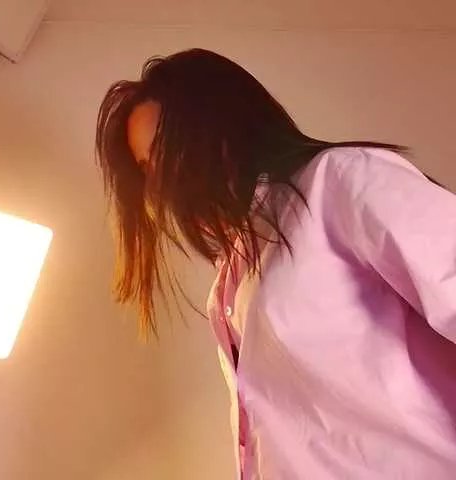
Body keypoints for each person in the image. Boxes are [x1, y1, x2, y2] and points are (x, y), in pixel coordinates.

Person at [94, 48, 456, 479]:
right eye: (147, 168)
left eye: (168, 150)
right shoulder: (230, 282)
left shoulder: (340, 180)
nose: (162, 183)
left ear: (222, 121)